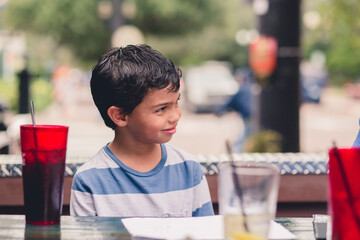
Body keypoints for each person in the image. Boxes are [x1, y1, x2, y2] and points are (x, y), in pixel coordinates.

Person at [70, 44, 214, 217]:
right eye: (161, 109)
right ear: (120, 116)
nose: (175, 116)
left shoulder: (188, 169)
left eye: (176, 103)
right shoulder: (90, 180)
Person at [215, 68, 253, 153]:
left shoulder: (242, 90)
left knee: (242, 138)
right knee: (248, 135)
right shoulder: (251, 88)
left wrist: (220, 111)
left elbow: (230, 103)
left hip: (248, 117)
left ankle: (238, 155)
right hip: (253, 116)